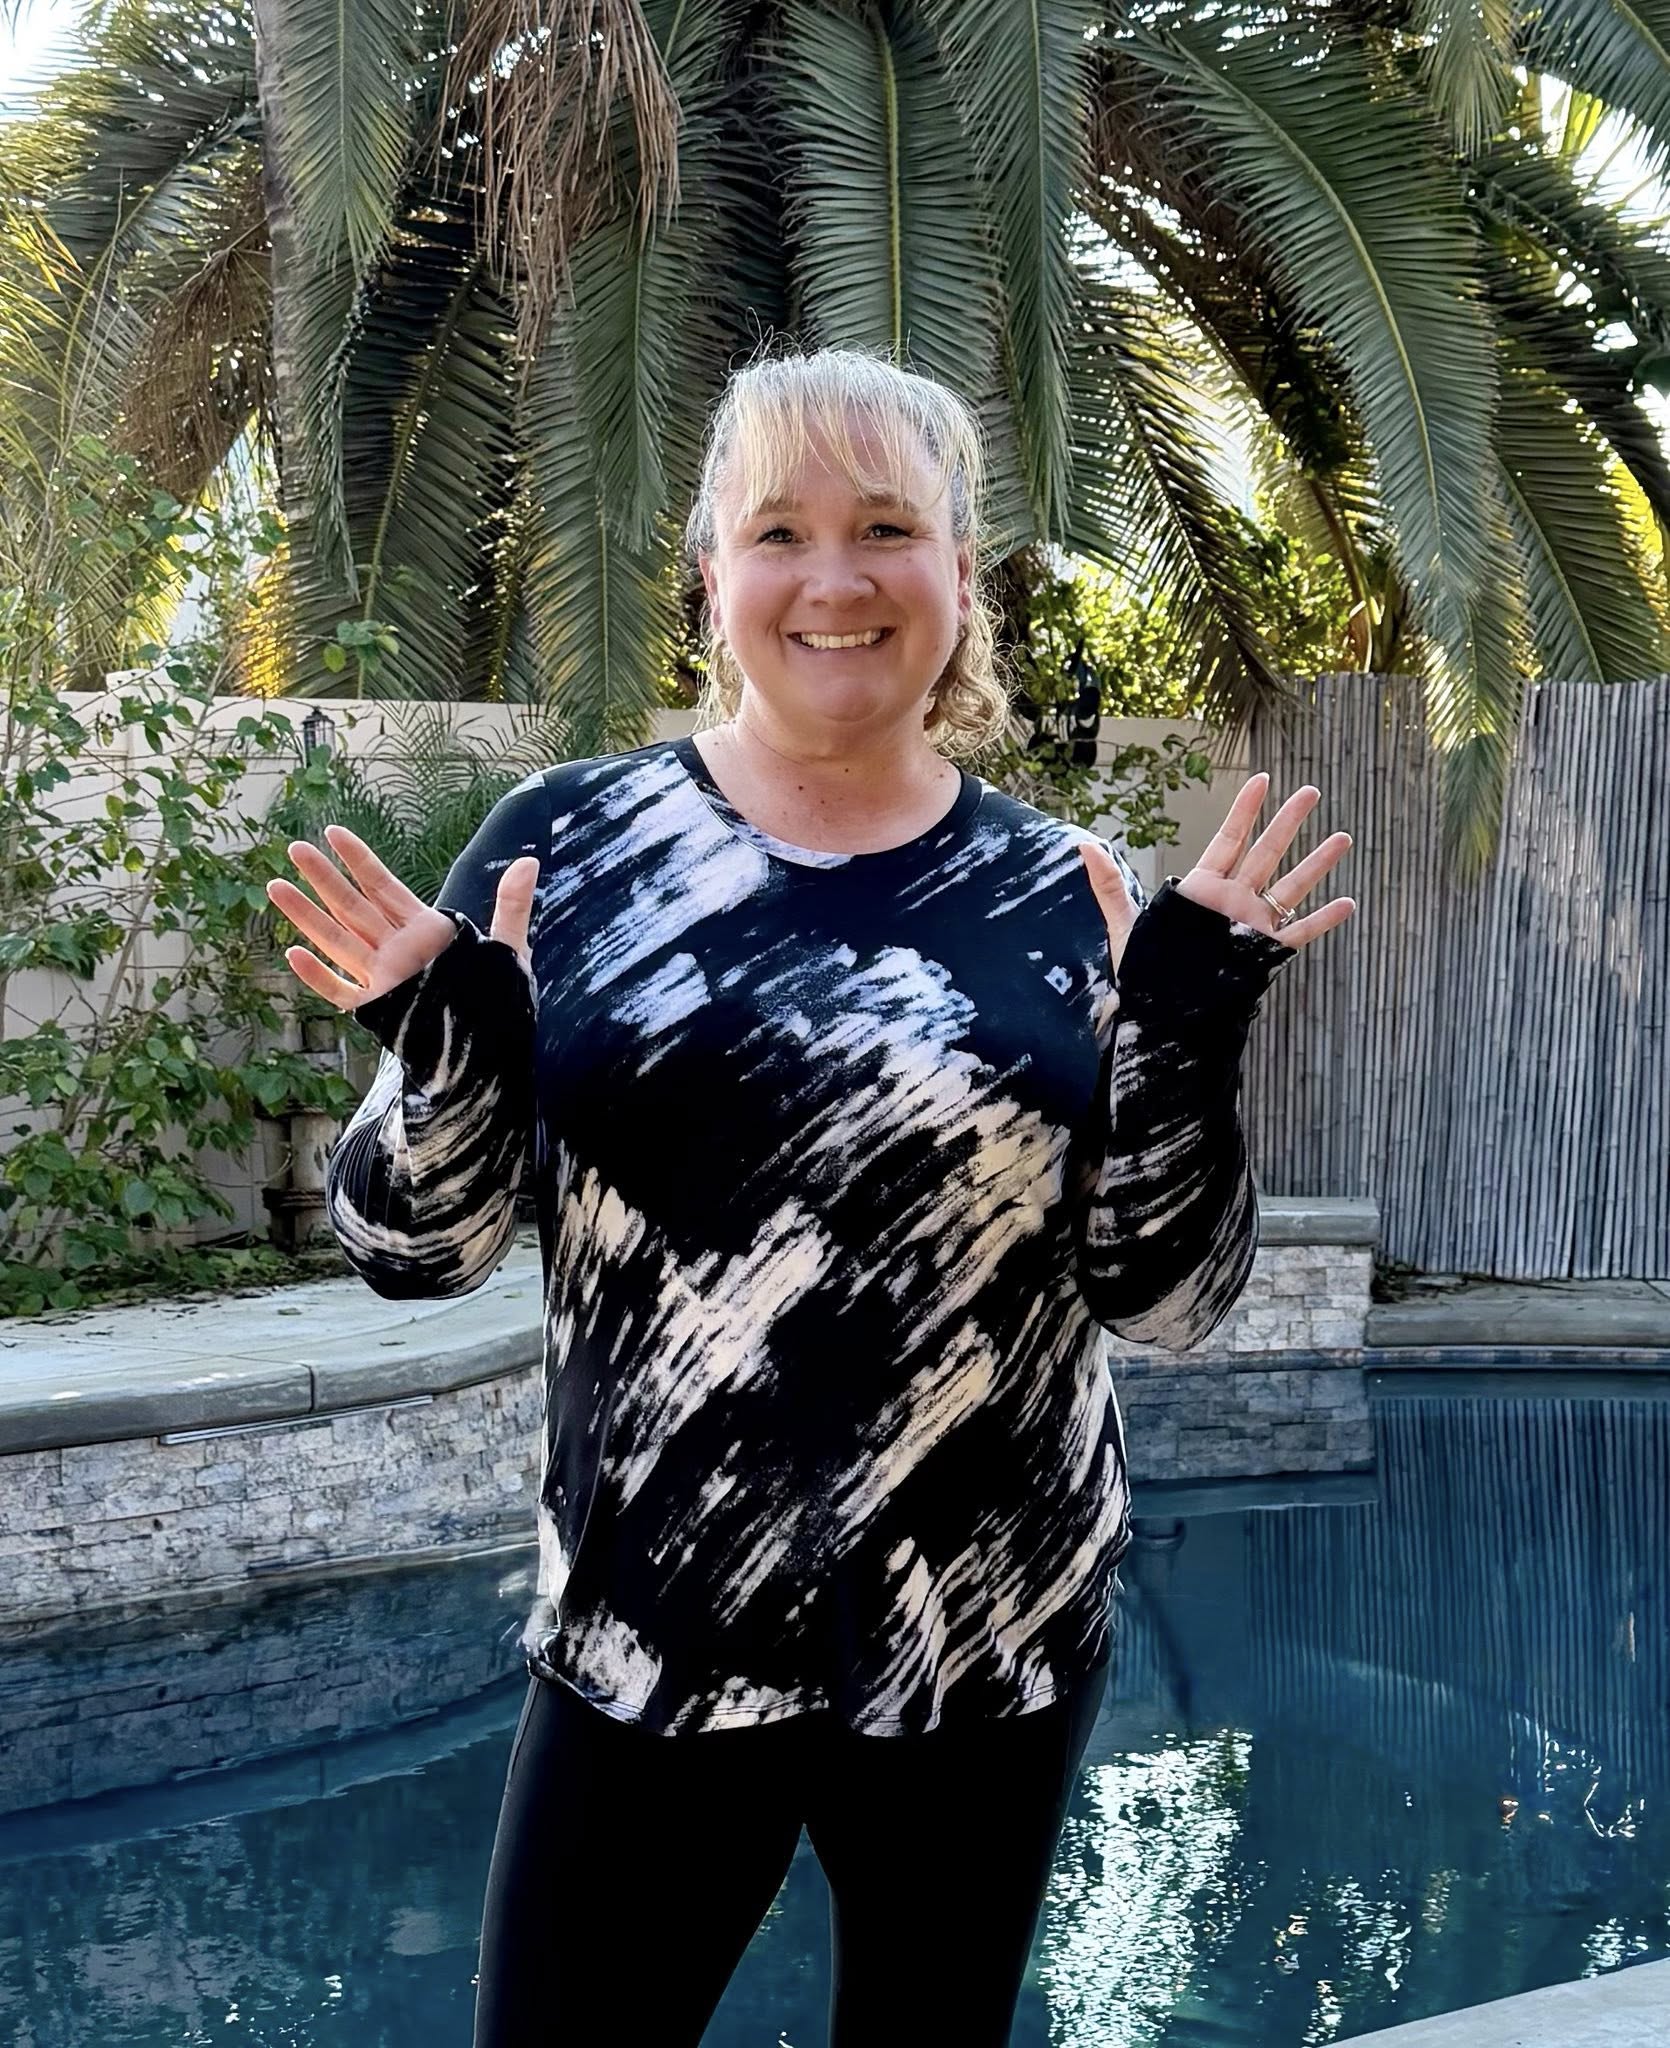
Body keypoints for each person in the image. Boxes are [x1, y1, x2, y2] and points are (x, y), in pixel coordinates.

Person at [265, 344, 1355, 2046]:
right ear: (710, 575)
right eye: (777, 530)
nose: (831, 579)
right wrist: (449, 1059)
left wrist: (1189, 1043)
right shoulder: (570, 850)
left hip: (981, 1629)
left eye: (884, 528)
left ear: (958, 574)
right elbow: (417, 1248)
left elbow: (1170, 1300)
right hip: (650, 1622)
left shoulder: (1063, 892)